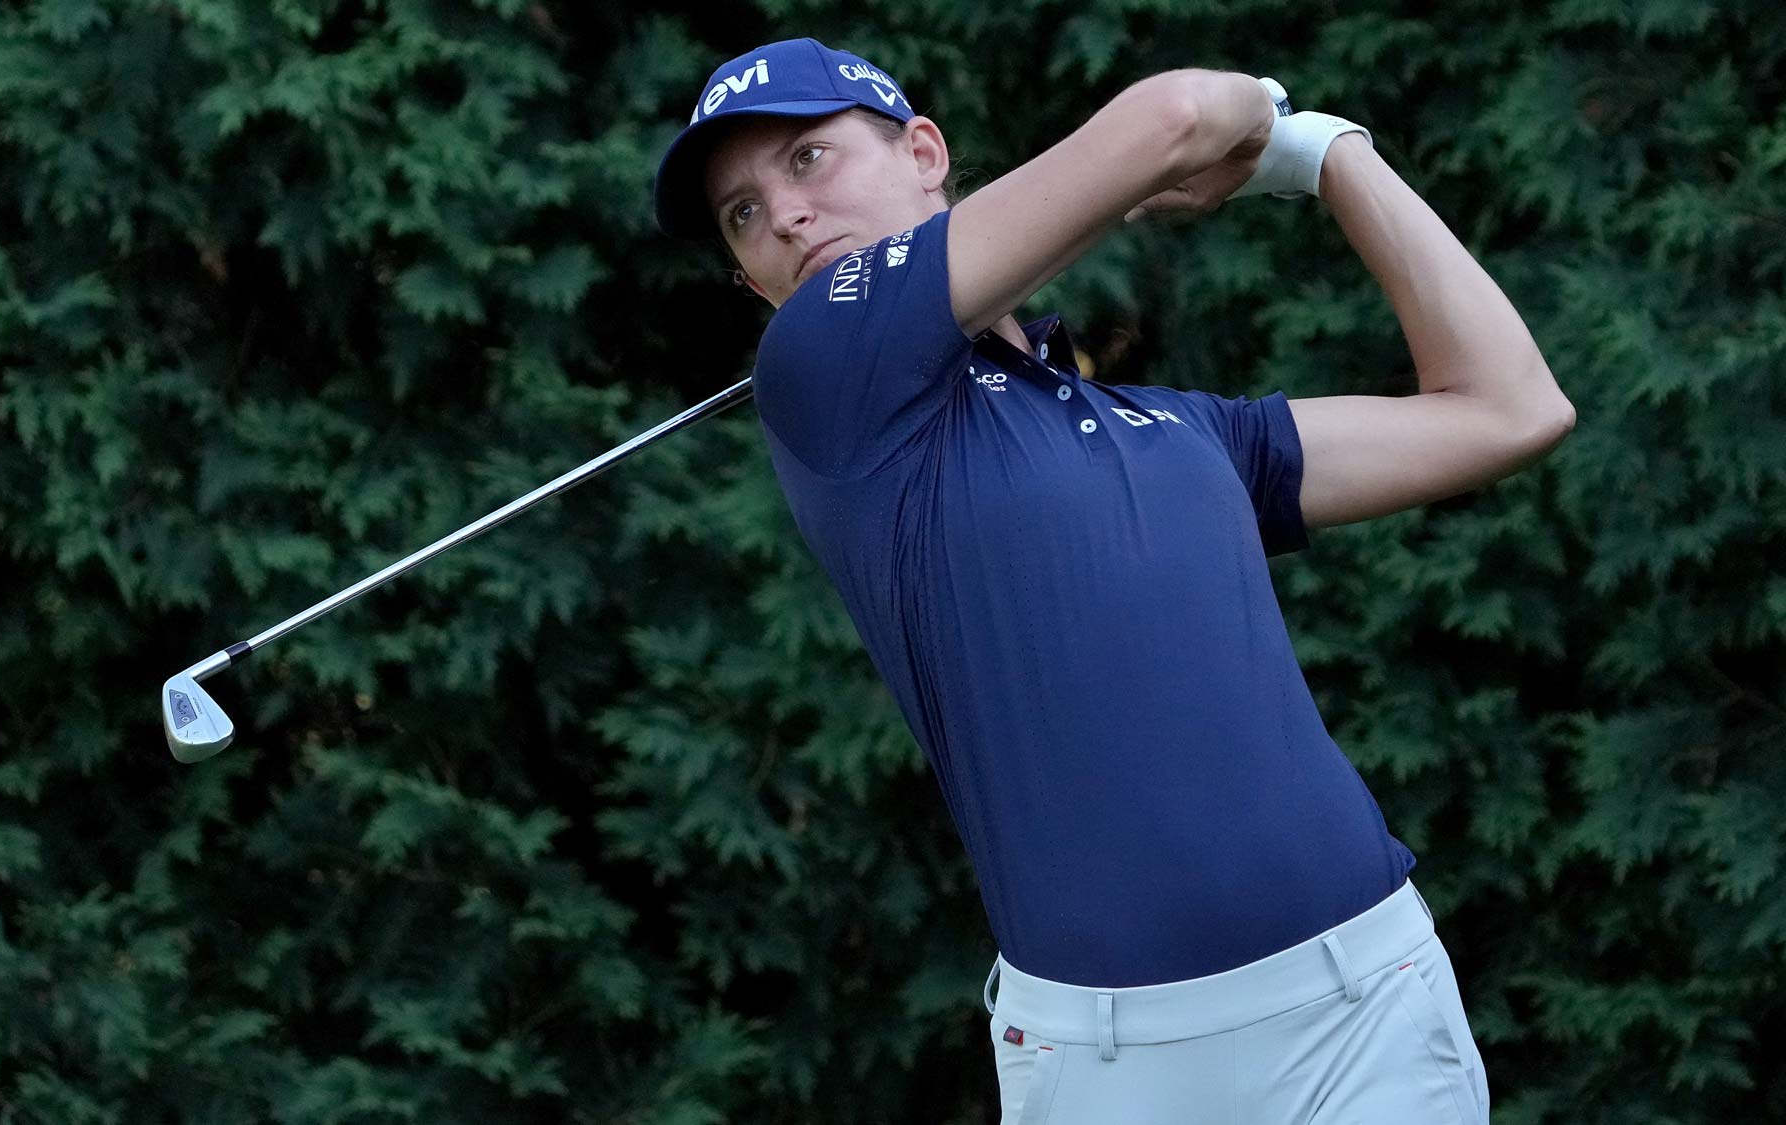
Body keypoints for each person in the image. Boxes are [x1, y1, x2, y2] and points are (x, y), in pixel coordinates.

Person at [653, 37, 1573, 1125]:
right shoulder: (813, 368)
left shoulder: (1178, 431)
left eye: (806, 159)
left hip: (1362, 1008)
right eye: (742, 215)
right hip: (1110, 1070)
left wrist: (1326, 156)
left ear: (923, 150)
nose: (785, 216)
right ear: (748, 278)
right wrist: (1262, 113)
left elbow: (1505, 410)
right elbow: (1180, 114)